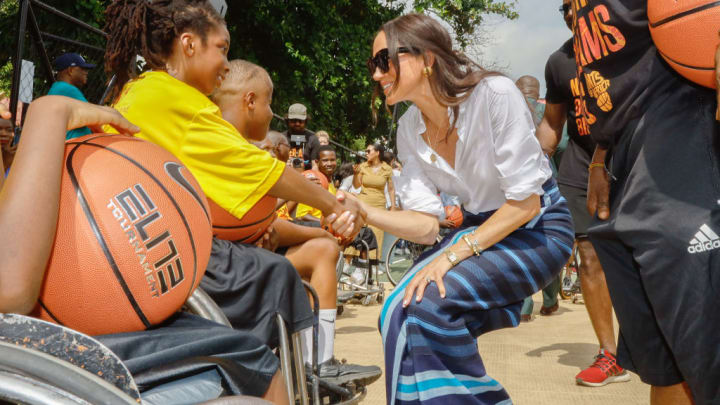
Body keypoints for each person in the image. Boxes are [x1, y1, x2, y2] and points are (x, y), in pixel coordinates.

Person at [103, 0, 364, 353]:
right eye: (222, 49)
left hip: (139, 250)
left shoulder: (140, 89)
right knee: (279, 274)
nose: (226, 64)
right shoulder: (181, 103)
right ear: (189, 44)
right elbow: (267, 175)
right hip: (173, 259)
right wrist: (333, 206)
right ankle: (300, 371)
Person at [0, 95, 289, 404]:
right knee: (256, 366)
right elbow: (10, 289)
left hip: (55, 325)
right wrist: (51, 115)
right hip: (31, 345)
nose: (6, 106)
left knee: (255, 359)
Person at [364, 14, 573, 404]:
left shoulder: (495, 94)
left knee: (424, 307)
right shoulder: (408, 128)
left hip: (538, 227)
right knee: (397, 310)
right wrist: (364, 212)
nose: (376, 74)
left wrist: (453, 255)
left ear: (427, 58)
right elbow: (428, 227)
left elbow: (526, 203)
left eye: (383, 60)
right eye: (372, 65)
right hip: (479, 229)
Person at [571, 0, 720, 403]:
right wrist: (601, 153)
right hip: (627, 151)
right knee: (666, 366)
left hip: (684, 122)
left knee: (706, 363)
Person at [209, 60, 381, 385]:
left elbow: (272, 224)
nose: (274, 112)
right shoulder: (228, 148)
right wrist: (336, 209)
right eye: (269, 102)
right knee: (313, 249)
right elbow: (276, 217)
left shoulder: (242, 148)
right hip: (220, 264)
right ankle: (298, 367)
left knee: (321, 250)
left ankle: (319, 362)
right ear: (250, 101)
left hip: (241, 252)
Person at [535, 0, 629, 387]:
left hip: (628, 154)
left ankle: (662, 344)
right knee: (587, 255)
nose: (571, 13)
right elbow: (552, 123)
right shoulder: (559, 62)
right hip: (579, 160)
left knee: (642, 256)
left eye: (578, 5)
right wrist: (529, 161)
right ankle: (610, 354)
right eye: (565, 8)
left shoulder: (626, 48)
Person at [514, 75, 563, 322]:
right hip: (546, 183)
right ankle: (550, 301)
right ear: (537, 91)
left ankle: (523, 306)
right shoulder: (545, 110)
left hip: (515, 184)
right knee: (548, 240)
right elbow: (562, 143)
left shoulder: (510, 108)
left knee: (521, 242)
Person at [349, 142, 396, 261]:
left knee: (375, 235)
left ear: (377, 153)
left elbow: (391, 189)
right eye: (366, 151)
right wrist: (355, 174)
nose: (366, 153)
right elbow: (356, 185)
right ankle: (351, 264)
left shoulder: (387, 169)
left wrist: (393, 206)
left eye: (368, 151)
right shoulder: (362, 166)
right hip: (363, 202)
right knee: (358, 232)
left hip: (379, 205)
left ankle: (367, 267)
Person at [47, 53, 96, 140]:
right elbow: (95, 120)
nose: (86, 72)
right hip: (76, 147)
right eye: (83, 69)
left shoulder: (57, 87)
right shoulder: (67, 89)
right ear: (71, 70)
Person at [284, 103, 319, 170]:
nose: (297, 124)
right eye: (294, 120)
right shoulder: (281, 138)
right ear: (288, 121)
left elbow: (315, 165)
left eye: (300, 121)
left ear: (305, 121)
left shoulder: (312, 139)